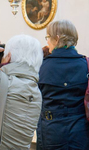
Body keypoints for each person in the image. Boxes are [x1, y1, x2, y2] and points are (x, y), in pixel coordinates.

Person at [36, 20, 89, 150]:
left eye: (48, 37)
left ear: (57, 38)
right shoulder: (86, 64)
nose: (47, 41)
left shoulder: (41, 66)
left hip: (51, 130)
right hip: (80, 130)